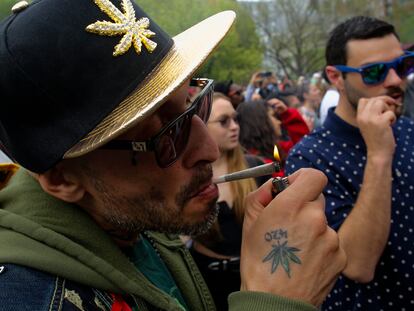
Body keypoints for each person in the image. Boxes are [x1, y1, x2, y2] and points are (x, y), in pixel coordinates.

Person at [0, 0, 346, 310]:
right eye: (165, 135)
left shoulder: (128, 218)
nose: (209, 150)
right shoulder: (29, 298)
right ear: (63, 179)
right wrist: (274, 302)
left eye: (194, 106)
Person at [286, 16, 414, 310]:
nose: (395, 81)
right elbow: (356, 264)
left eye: (403, 65)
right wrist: (379, 155)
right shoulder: (309, 157)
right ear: (335, 77)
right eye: (375, 72)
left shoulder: (407, 129)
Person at [190, 93, 258, 310]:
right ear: (200, 126)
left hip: (254, 278)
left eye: (235, 119)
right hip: (208, 282)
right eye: (223, 121)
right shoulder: (188, 178)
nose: (234, 126)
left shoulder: (255, 168)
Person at [237, 100, 308, 176]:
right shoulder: (261, 166)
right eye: (274, 116)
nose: (279, 122)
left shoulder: (275, 147)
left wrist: (287, 114)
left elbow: (304, 146)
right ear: (261, 122)